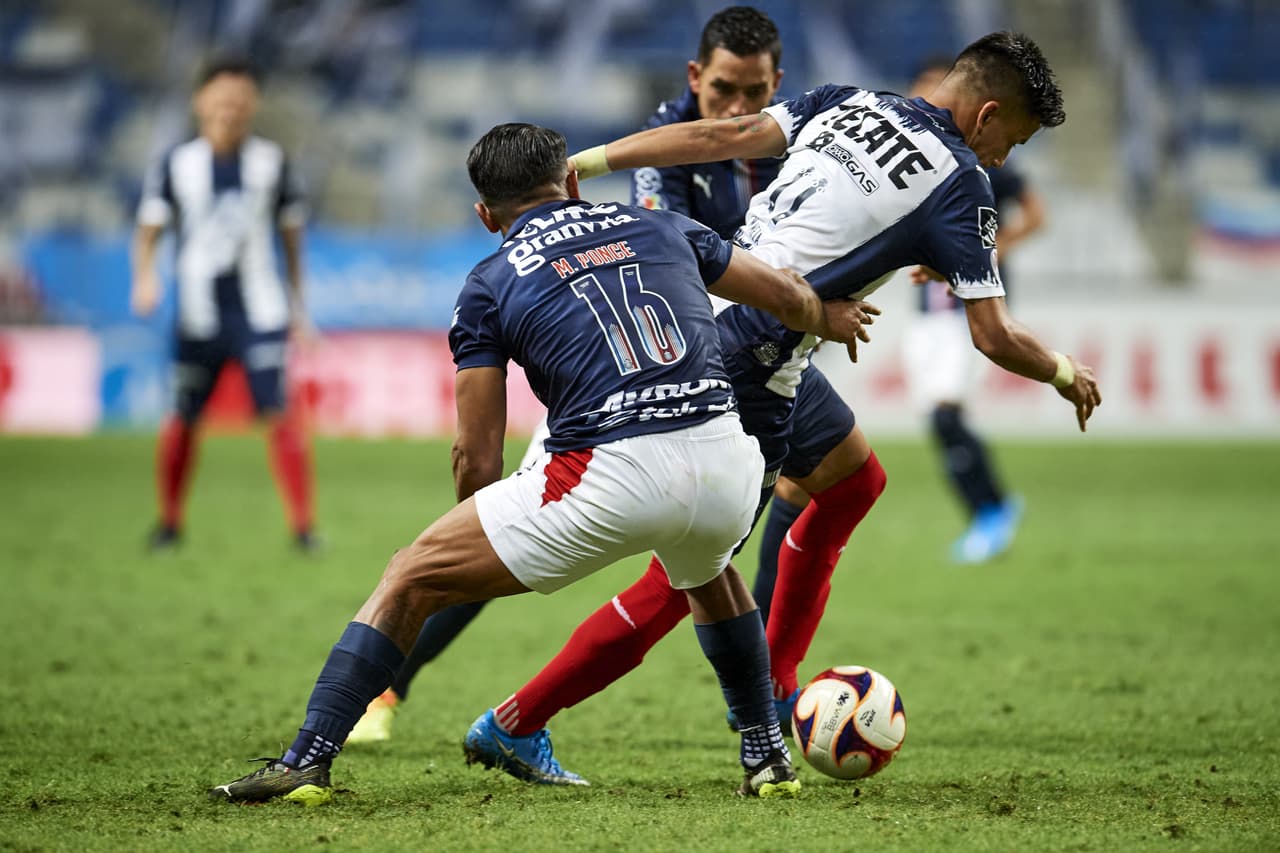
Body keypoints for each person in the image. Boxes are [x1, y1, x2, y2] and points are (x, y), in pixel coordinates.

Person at [462, 30, 1102, 786]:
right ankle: (517, 720)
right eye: (1010, 141)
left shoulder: (848, 102)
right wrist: (1063, 371)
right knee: (694, 578)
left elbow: (720, 135)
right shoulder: (961, 181)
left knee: (852, 479)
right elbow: (993, 336)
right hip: (754, 364)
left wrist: (590, 163)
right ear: (987, 113)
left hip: (713, 317)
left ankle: (777, 678)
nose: (1002, 159)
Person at [209, 122, 879, 804]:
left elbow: (479, 452)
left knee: (409, 574)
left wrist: (473, 524)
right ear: (574, 183)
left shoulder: (489, 281)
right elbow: (788, 296)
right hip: (728, 466)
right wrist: (829, 318)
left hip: (611, 473)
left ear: (485, 215)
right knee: (709, 570)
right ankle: (767, 756)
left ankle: (306, 758)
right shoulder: (662, 225)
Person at [347, 5, 887, 751]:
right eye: (724, 90)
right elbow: (685, 273)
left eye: (754, 93)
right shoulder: (665, 155)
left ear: (777, 84)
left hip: (770, 354)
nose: (738, 109)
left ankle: (776, 678)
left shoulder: (785, 140)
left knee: (851, 479)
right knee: (523, 534)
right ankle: (403, 683)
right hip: (670, 363)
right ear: (696, 78)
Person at [131, 55, 318, 551]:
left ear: (251, 105)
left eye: (238, 100)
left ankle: (303, 528)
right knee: (183, 416)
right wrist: (145, 280)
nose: (229, 109)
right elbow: (148, 230)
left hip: (261, 311)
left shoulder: (273, 164)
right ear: (200, 102)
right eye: (221, 99)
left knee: (278, 412)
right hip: (198, 314)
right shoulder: (175, 165)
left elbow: (292, 241)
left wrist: (299, 308)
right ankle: (169, 523)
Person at [902, 59, 1048, 564]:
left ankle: (991, 510)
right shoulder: (918, 156)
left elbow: (1036, 215)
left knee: (945, 415)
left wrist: (993, 250)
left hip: (965, 308)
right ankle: (991, 510)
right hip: (926, 309)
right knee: (940, 417)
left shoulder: (982, 158)